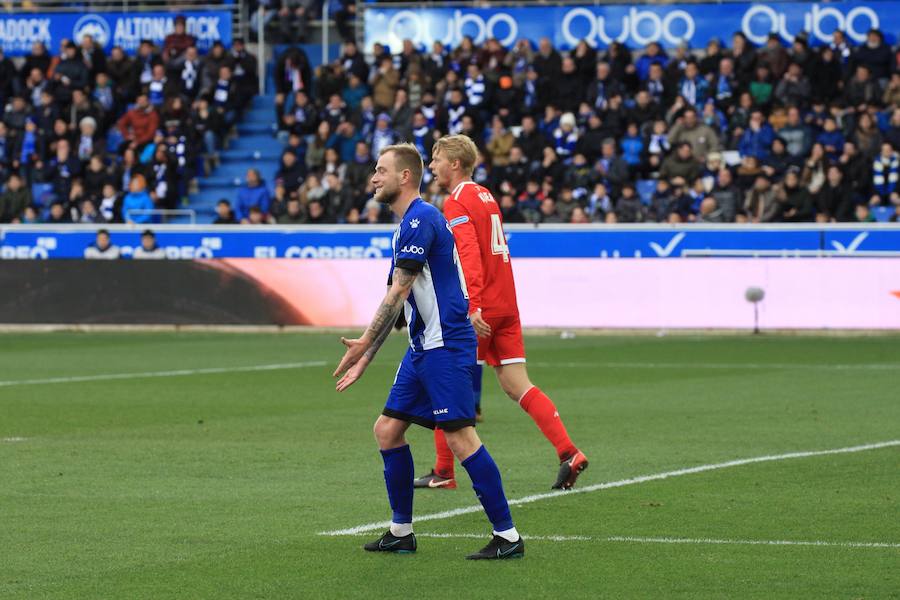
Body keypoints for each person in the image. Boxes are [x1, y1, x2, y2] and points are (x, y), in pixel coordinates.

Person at [332, 143, 523, 560]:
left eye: (380, 170)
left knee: (460, 438)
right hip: (423, 348)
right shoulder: (405, 226)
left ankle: (507, 536)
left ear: (405, 176)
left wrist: (364, 342)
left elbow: (399, 289)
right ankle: (401, 531)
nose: (373, 178)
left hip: (447, 345)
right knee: (387, 430)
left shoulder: (422, 219)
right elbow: (396, 299)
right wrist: (366, 355)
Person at [418, 134, 589, 491]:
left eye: (435, 159)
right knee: (517, 385)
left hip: (483, 309)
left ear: (455, 163)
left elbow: (469, 254)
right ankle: (569, 452)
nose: (430, 166)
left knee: (445, 380)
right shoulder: (486, 195)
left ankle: (443, 471)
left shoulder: (456, 202)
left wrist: (473, 305)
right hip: (507, 305)